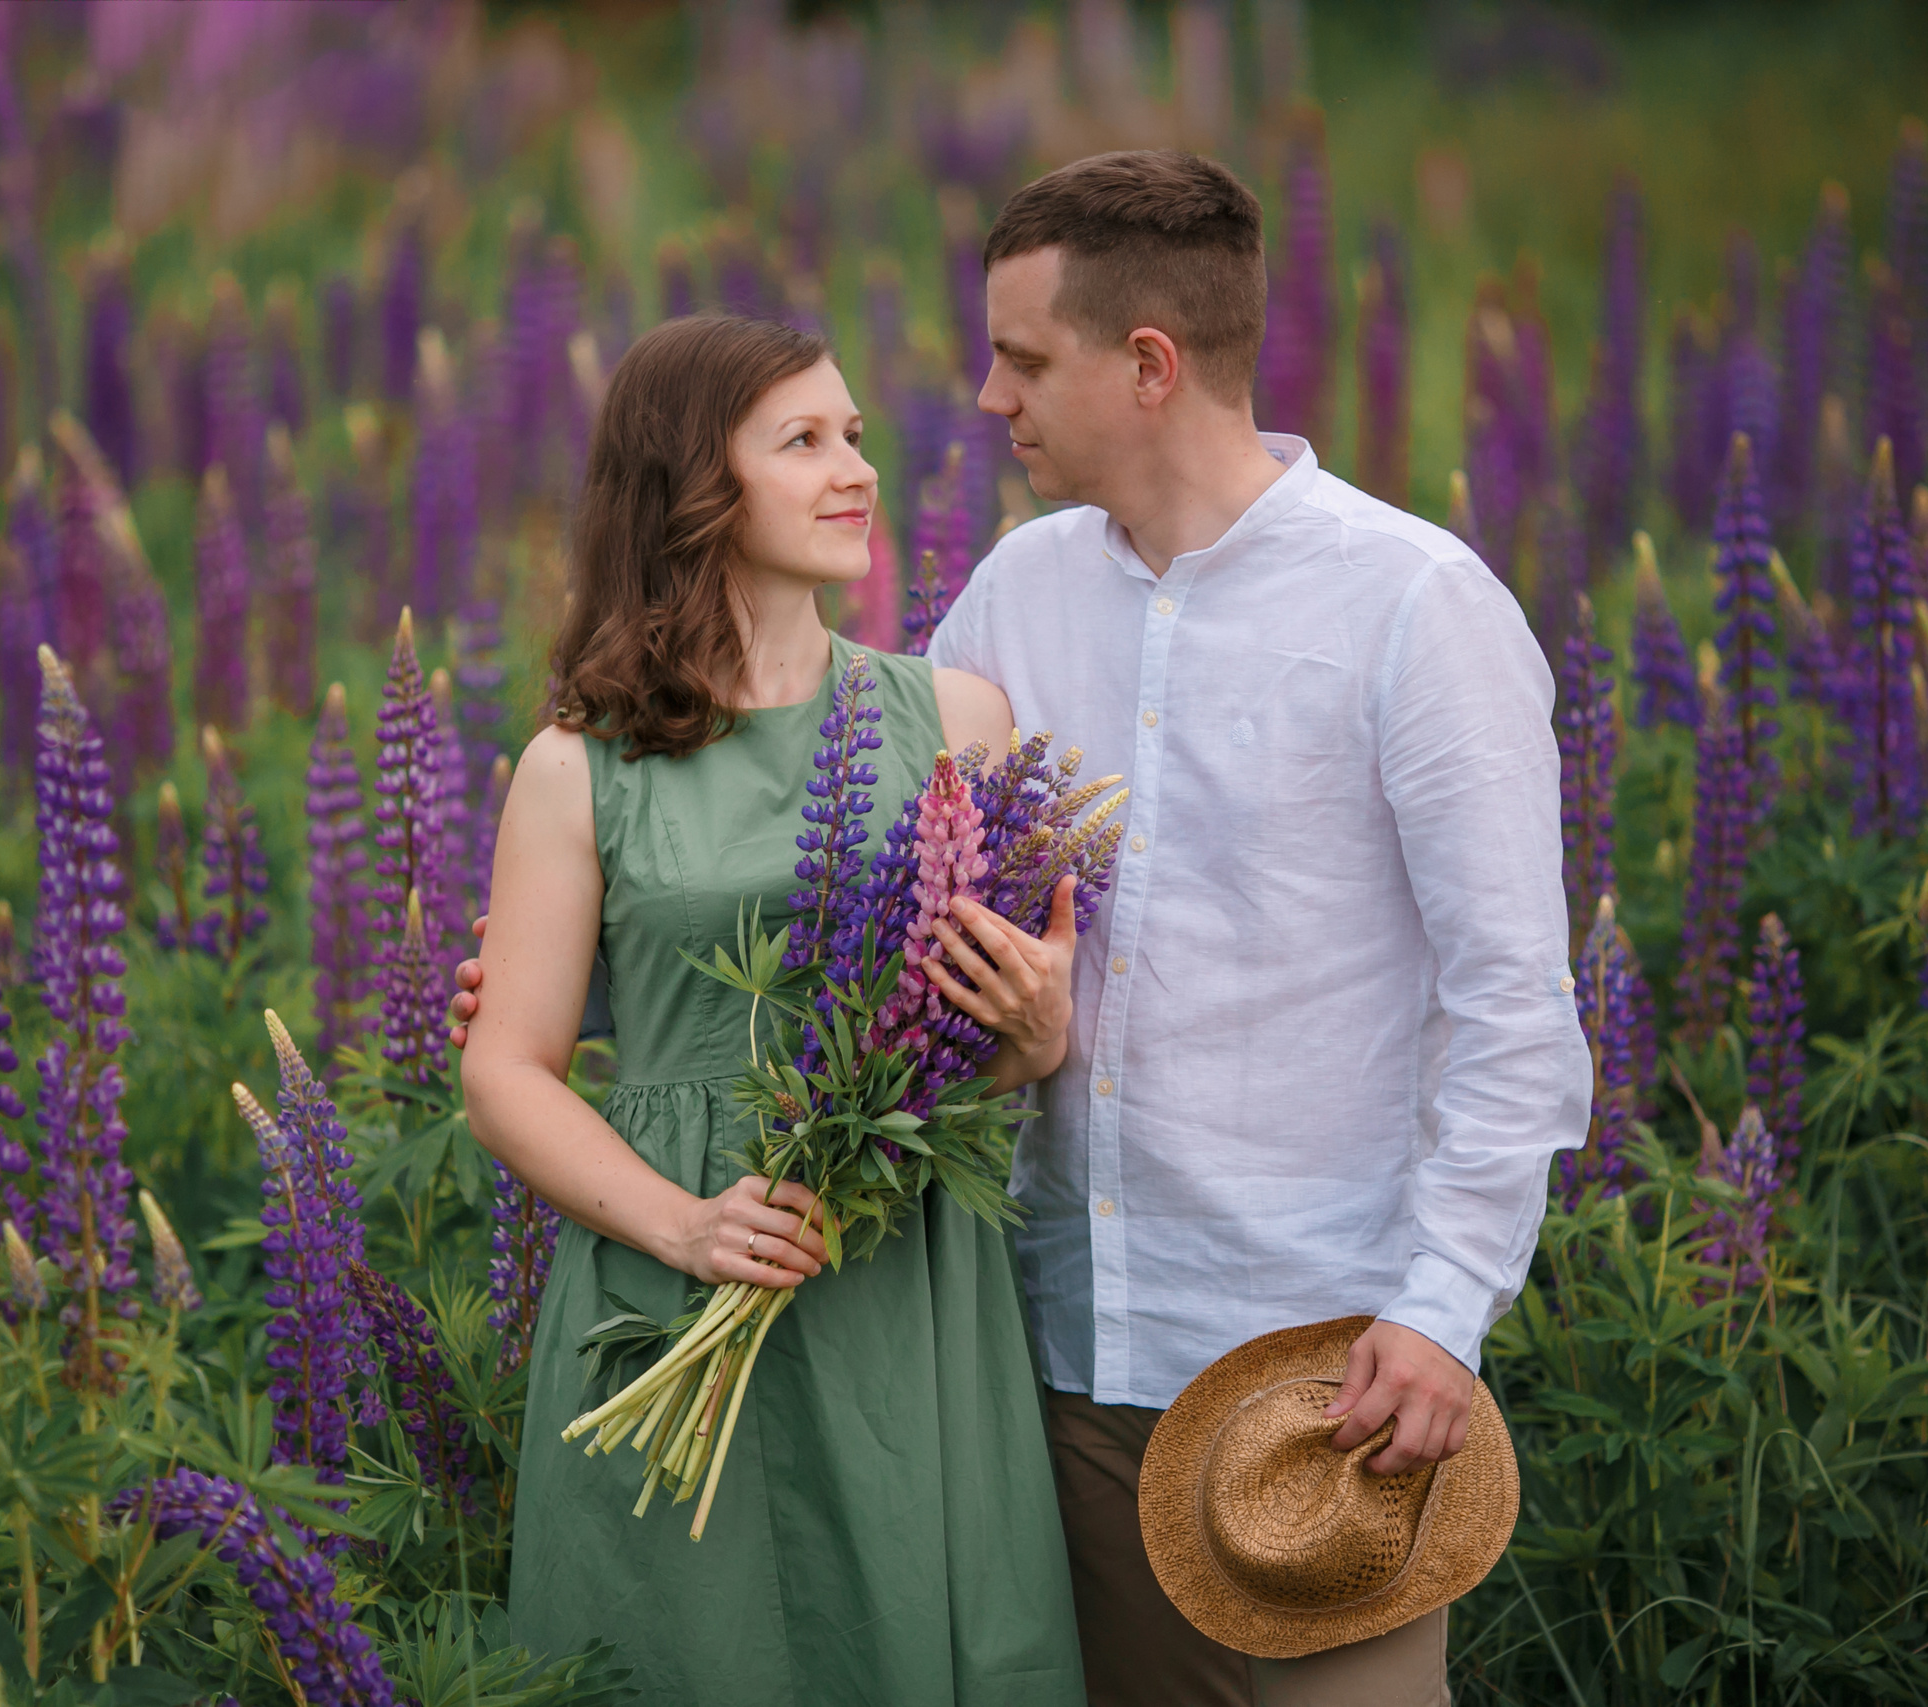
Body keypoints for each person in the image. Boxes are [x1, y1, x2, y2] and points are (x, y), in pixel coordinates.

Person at [457, 152, 1589, 1705]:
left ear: (1148, 364)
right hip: (1035, 1360)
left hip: (1309, 1371)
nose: (983, 399)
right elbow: (851, 887)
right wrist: (581, 970)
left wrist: (1443, 1309)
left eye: (1024, 358)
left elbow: (1515, 1004)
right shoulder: (1009, 606)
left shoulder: (1414, 606)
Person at [459, 313, 1090, 1707]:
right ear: (693, 486)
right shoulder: (579, 765)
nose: (853, 468)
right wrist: (685, 1225)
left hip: (893, 1279)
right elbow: (506, 1070)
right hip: (669, 1265)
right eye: (802, 441)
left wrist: (1035, 1039)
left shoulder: (959, 720)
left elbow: (964, 1043)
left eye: (854, 436)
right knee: (693, 1652)